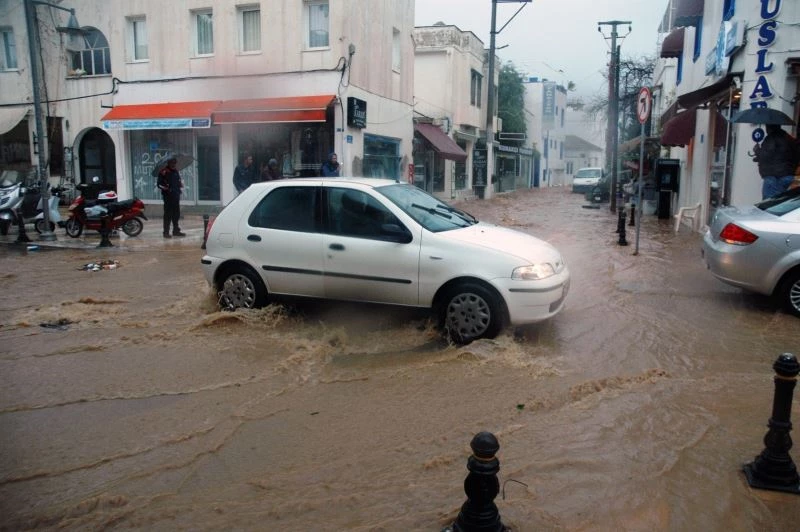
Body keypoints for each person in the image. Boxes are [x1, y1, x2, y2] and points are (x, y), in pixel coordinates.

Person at [752, 124, 798, 199]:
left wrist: (757, 150)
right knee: (779, 203)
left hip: (774, 178)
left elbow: (766, 155)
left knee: (768, 205)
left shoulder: (771, 138)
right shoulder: (789, 138)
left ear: (769, 127)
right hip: (788, 176)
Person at [156, 157, 185, 238]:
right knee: (168, 215)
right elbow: (159, 184)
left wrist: (180, 185)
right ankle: (166, 232)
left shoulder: (176, 171)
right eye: (172, 163)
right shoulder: (164, 172)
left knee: (176, 214)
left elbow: (177, 182)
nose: (173, 165)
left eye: (175, 163)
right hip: (168, 197)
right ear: (168, 163)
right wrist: (166, 188)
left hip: (176, 196)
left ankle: (176, 230)